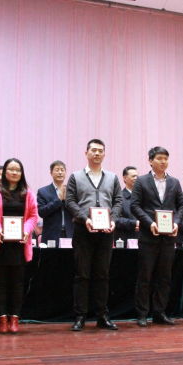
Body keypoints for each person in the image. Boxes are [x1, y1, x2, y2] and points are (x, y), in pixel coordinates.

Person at [65, 139, 123, 331]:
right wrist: (85, 219)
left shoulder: (113, 177)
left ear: (104, 154)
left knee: (102, 275)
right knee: (82, 275)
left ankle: (102, 316)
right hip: (83, 230)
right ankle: (80, 316)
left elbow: (118, 201)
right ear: (86, 153)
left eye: (100, 151)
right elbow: (70, 201)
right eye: (94, 150)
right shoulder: (75, 176)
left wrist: (113, 219)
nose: (97, 153)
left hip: (106, 232)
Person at [0, 158, 39, 334]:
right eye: (11, 169)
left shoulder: (28, 193)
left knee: (17, 283)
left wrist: (26, 230)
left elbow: (33, 216)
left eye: (18, 170)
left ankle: (15, 319)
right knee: (0, 283)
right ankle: (2, 319)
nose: (14, 172)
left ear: (22, 173)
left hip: (19, 245)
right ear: (5, 172)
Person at [130, 147, 183, 327]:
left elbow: (182, 207)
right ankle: (142, 314)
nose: (163, 162)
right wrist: (149, 223)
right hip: (148, 236)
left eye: (165, 159)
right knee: (145, 276)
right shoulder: (141, 181)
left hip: (169, 238)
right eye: (159, 158)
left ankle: (159, 312)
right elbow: (135, 206)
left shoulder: (175, 182)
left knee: (165, 277)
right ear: (150, 161)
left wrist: (176, 223)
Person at [36, 160, 74, 243]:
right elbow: (41, 212)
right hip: (51, 234)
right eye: (57, 170)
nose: (60, 172)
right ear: (51, 173)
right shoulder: (43, 191)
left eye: (62, 170)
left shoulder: (71, 191)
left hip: (70, 233)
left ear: (65, 173)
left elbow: (75, 211)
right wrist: (58, 200)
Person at [115, 166, 139, 241]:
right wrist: (135, 223)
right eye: (133, 176)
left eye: (137, 176)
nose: (136, 178)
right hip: (125, 239)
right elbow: (115, 219)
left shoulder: (143, 196)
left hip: (142, 239)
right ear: (125, 178)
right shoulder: (119, 197)